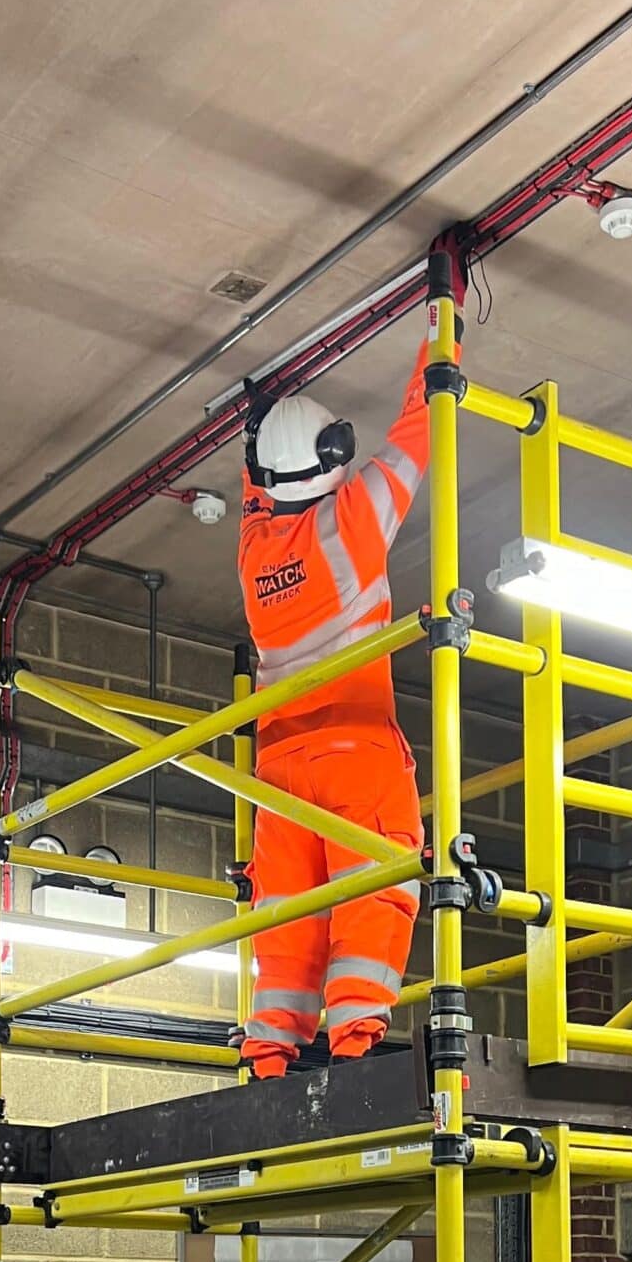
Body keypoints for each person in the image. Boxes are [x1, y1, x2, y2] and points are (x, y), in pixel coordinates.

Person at [236, 330, 450, 1076]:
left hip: (278, 772)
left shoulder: (254, 554)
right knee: (372, 890)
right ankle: (355, 1043)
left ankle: (270, 1056)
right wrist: (442, 334)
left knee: (286, 915)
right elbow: (419, 430)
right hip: (354, 751)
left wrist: (256, 437)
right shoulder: (355, 519)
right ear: (332, 455)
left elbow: (255, 495)